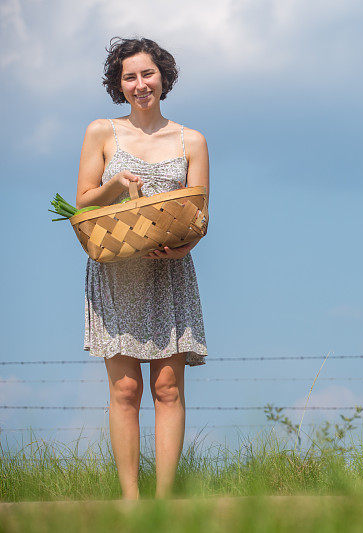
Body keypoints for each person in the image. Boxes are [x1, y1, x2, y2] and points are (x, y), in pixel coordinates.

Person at [75, 36, 210, 500]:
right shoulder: (101, 133)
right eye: (129, 77)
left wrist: (183, 245)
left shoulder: (192, 139)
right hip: (118, 272)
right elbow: (83, 205)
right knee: (126, 389)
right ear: (119, 84)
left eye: (147, 74)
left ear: (163, 77)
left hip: (170, 271)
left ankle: (166, 500)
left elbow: (200, 215)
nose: (140, 84)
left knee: (168, 388)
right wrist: (114, 182)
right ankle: (131, 502)